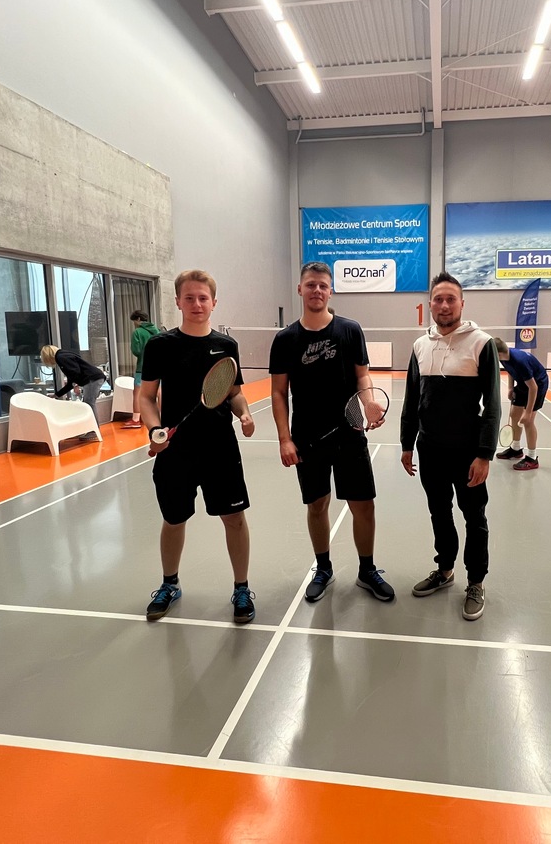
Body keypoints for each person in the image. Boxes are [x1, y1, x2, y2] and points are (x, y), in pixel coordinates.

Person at [269, 262, 394, 604]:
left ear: (331, 291)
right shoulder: (285, 340)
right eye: (311, 284)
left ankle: (367, 570)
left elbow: (362, 375)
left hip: (349, 432)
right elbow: (278, 392)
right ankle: (323, 568)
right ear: (300, 289)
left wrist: (369, 402)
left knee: (363, 505)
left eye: (323, 285)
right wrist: (284, 438)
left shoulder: (350, 330)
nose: (317, 291)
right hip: (307, 436)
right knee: (317, 504)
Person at [138, 269, 257, 624]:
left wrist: (245, 413)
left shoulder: (226, 346)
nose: (196, 304)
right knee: (174, 519)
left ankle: (241, 588)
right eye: (189, 297)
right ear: (178, 301)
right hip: (176, 451)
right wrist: (155, 430)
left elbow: (233, 393)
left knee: (234, 518)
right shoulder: (160, 345)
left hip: (220, 448)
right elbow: (146, 397)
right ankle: (169, 584)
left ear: (214, 302)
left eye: (203, 298)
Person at [400, 272, 500, 621]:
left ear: (462, 303)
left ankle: (476, 581)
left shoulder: (481, 343)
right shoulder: (420, 345)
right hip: (430, 449)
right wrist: (407, 443)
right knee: (439, 513)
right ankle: (444, 569)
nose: (444, 305)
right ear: (430, 304)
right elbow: (412, 399)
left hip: (467, 451)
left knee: (474, 517)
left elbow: (493, 405)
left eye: (451, 299)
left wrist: (484, 454)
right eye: (438, 299)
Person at [493, 337, 549, 470]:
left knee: (528, 421)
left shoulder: (520, 361)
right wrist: (510, 387)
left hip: (538, 385)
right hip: (523, 383)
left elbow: (533, 388)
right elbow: (510, 370)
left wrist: (528, 412)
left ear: (498, 353)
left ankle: (532, 458)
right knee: (514, 415)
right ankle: (516, 449)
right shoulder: (504, 357)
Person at [40, 344, 106, 440]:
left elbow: (75, 373)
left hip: (92, 379)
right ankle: (88, 429)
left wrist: (76, 385)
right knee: (87, 404)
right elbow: (71, 379)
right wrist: (57, 395)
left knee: (89, 404)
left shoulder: (61, 357)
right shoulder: (64, 355)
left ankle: (93, 431)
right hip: (94, 377)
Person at [121, 309, 160, 429]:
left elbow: (136, 350)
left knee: (137, 393)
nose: (134, 324)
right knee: (158, 392)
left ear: (138, 319)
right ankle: (158, 417)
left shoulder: (138, 332)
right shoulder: (157, 331)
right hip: (158, 366)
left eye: (134, 321)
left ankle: (136, 419)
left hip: (143, 367)